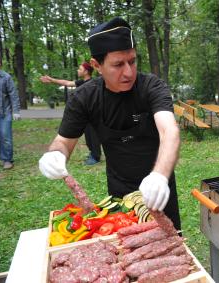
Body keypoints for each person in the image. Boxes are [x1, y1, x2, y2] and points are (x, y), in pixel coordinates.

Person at [38, 17, 181, 230]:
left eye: (132, 61)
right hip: (120, 190)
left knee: (172, 247)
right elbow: (63, 141)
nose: (129, 72)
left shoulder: (152, 86)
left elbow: (169, 131)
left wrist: (159, 176)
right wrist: (55, 154)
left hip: (159, 188)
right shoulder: (85, 97)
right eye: (118, 64)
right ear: (97, 65)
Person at [40, 62, 102, 165]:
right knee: (88, 137)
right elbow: (67, 83)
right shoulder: (82, 82)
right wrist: (52, 80)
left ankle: (96, 157)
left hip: (94, 115)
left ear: (86, 71)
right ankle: (92, 153)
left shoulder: (94, 82)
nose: (78, 70)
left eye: (80, 69)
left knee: (93, 136)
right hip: (85, 115)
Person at [0, 58, 20, 169]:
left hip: (4, 113)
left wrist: (16, 111)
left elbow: (13, 95)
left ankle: (7, 160)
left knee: (5, 136)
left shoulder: (6, 77)